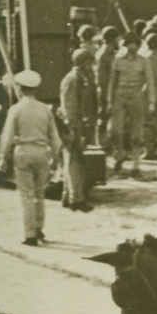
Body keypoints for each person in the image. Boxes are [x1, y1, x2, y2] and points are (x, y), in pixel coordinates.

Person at [0, 70, 62, 245]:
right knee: (40, 194)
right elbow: (54, 137)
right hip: (42, 152)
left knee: (26, 195)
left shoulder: (16, 109)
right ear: (35, 89)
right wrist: (55, 158)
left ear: (20, 88)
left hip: (23, 152)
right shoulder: (45, 110)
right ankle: (39, 228)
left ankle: (30, 234)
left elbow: (7, 136)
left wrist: (3, 156)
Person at [107, 32, 156, 177]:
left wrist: (151, 102)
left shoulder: (144, 61)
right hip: (120, 95)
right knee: (115, 131)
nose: (132, 47)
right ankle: (119, 154)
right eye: (129, 44)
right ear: (125, 45)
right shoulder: (118, 61)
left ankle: (136, 165)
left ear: (138, 46)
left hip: (136, 96)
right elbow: (112, 82)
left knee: (136, 133)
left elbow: (150, 81)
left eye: (134, 44)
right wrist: (109, 101)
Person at [59, 48, 98, 211]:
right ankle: (76, 199)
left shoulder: (76, 77)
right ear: (83, 63)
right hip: (72, 125)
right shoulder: (74, 79)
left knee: (71, 161)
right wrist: (73, 127)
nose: (91, 66)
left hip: (74, 124)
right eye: (89, 63)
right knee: (74, 162)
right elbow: (70, 105)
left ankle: (68, 196)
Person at [94, 25, 121, 147]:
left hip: (111, 90)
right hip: (105, 91)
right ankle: (101, 143)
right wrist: (108, 95)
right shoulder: (103, 55)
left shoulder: (111, 54)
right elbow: (102, 79)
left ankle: (107, 142)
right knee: (103, 116)